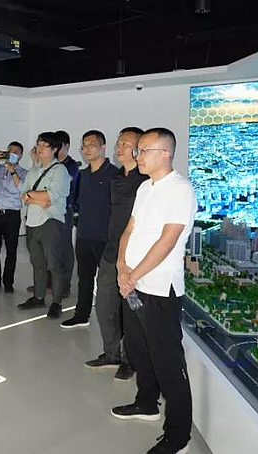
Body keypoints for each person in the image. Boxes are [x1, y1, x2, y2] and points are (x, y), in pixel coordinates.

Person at [113, 127, 196, 454]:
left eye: (144, 150)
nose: (138, 156)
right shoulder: (145, 187)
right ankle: (146, 402)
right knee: (138, 350)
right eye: (138, 150)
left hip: (160, 290)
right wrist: (121, 266)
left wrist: (132, 275)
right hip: (133, 285)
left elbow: (167, 241)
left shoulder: (180, 190)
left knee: (168, 363)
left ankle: (178, 436)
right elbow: (129, 229)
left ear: (165, 153)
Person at [85, 127, 147, 382]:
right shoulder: (116, 178)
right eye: (118, 143)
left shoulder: (146, 181)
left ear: (138, 149)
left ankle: (130, 361)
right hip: (112, 252)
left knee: (131, 313)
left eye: (125, 144)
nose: (119, 148)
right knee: (104, 305)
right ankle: (111, 353)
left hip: (135, 257)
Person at [60, 130, 118, 329]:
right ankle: (81, 314)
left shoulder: (114, 175)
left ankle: (116, 320)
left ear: (103, 147)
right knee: (84, 277)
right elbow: (76, 201)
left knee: (110, 282)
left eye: (92, 145)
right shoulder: (83, 175)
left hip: (106, 238)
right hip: (84, 235)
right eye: (84, 146)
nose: (87, 149)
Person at [18, 132, 71, 318]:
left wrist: (35, 196)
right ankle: (38, 297)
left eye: (44, 145)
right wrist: (37, 197)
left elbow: (50, 197)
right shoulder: (33, 171)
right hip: (32, 222)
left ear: (54, 149)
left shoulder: (60, 171)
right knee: (37, 263)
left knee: (54, 264)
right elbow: (23, 195)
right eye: (38, 144)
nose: (39, 148)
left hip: (51, 222)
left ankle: (57, 302)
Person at [0, 142, 27, 293]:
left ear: (21, 156)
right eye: (10, 150)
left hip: (12, 215)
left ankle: (8, 282)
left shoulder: (24, 172)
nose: (12, 153)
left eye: (16, 151)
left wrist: (12, 171)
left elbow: (23, 188)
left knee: (11, 250)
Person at [56, 129, 80, 294]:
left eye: (58, 146)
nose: (56, 149)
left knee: (64, 248)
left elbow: (63, 183)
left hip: (65, 210)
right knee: (50, 248)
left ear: (67, 146)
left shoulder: (72, 165)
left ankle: (65, 285)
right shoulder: (51, 163)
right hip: (50, 210)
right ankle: (50, 281)